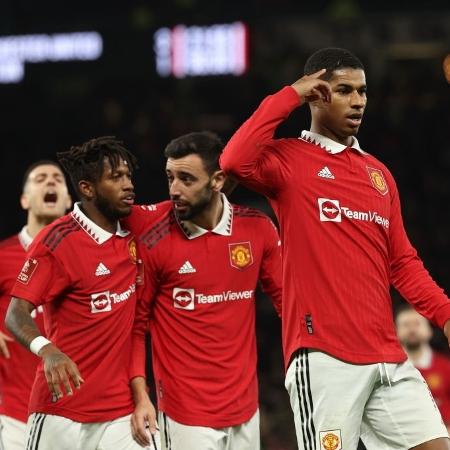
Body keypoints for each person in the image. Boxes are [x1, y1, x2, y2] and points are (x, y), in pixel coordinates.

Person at [220, 47, 450, 450]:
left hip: (388, 357)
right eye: (344, 90)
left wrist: (446, 316)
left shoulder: (378, 175)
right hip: (325, 358)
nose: (358, 100)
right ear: (316, 94)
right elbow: (234, 160)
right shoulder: (288, 160)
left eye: (362, 91)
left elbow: (403, 263)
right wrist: (288, 95)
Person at [125, 131, 282, 450]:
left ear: (217, 180)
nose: (174, 190)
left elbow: (289, 303)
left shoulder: (256, 228)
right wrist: (141, 397)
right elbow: (135, 327)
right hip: (185, 416)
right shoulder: (155, 240)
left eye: (186, 179)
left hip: (246, 409)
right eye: (170, 177)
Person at [5, 137, 158, 450]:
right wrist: (48, 350)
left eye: (128, 176)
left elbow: (190, 204)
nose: (128, 185)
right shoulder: (57, 242)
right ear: (88, 189)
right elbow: (15, 312)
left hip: (120, 413)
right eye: (116, 178)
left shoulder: (136, 227)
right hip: (62, 412)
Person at [0, 160, 71, 450]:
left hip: (76, 412)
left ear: (69, 200)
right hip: (17, 411)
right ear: (25, 199)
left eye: (57, 178)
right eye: (40, 178)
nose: (50, 182)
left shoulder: (86, 256)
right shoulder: (4, 256)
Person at [396, 304, 450, 432]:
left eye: (417, 323)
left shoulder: (446, 366)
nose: (412, 330)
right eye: (405, 325)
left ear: (429, 330)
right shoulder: (387, 369)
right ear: (395, 331)